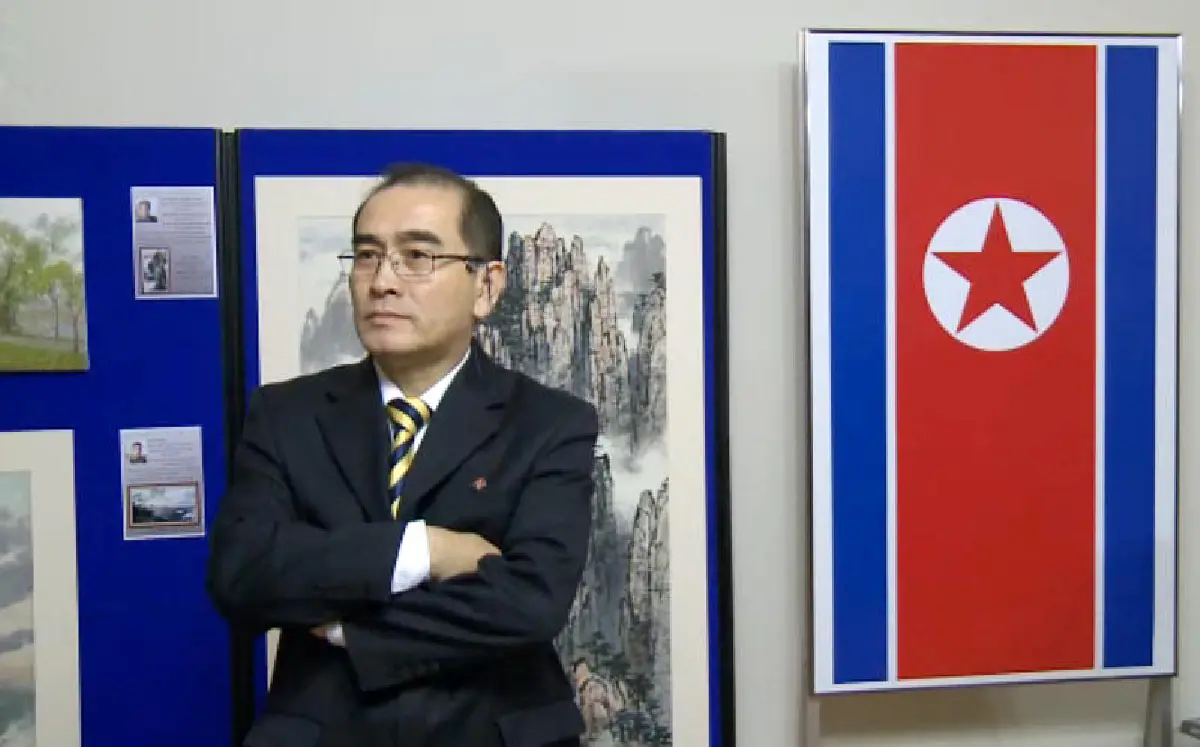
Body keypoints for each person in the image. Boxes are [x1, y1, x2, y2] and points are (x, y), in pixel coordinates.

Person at [206, 162, 599, 747]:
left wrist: (348, 628)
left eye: (417, 256)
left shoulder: (550, 423)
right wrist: (425, 551)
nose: (382, 281)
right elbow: (242, 575)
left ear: (486, 286)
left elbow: (531, 602)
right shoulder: (286, 414)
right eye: (367, 255)